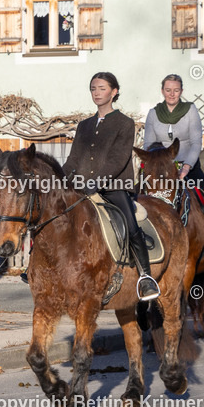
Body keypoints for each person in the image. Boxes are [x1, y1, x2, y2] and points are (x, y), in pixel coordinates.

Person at [64, 72, 160, 301]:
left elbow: (117, 160)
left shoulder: (125, 124)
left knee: (130, 222)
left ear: (114, 92)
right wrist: (62, 179)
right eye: (93, 89)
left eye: (102, 88)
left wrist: (96, 182)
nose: (97, 93)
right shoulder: (84, 125)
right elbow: (73, 159)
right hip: (81, 187)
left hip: (115, 186)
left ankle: (145, 277)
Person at [144, 73, 204, 260]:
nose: (172, 94)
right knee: (138, 197)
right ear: (162, 91)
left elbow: (196, 142)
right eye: (168, 90)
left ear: (181, 91)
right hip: (162, 170)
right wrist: (161, 163)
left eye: (176, 90)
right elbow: (149, 144)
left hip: (190, 166)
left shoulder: (190, 110)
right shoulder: (153, 113)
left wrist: (186, 167)